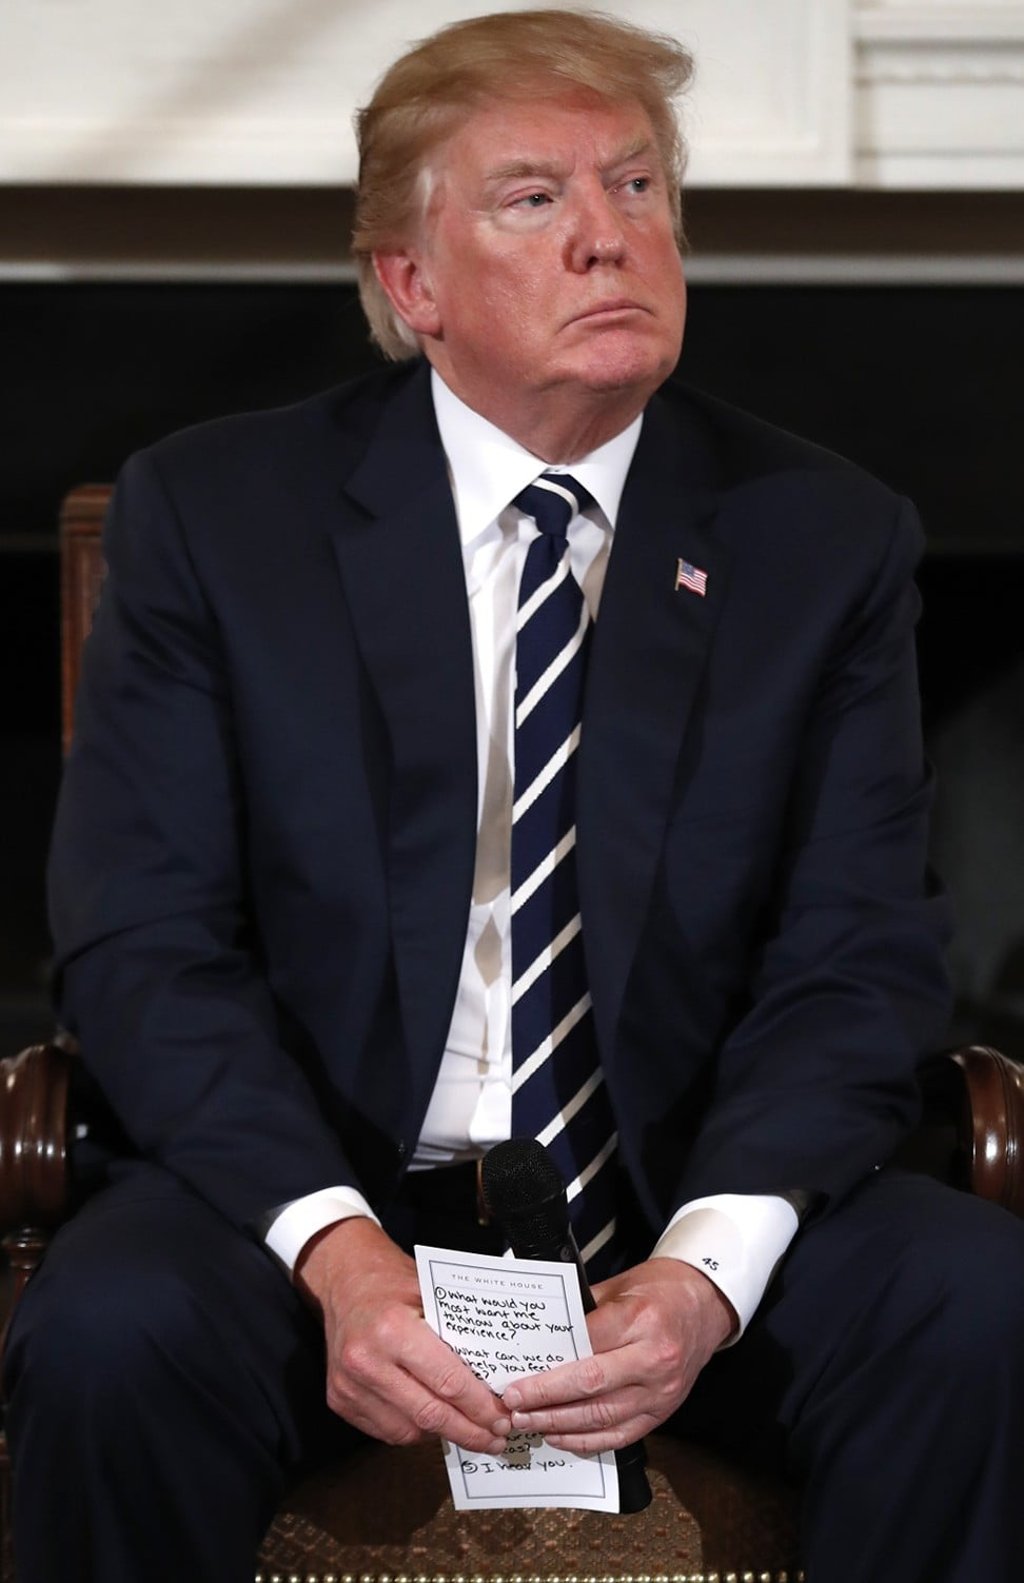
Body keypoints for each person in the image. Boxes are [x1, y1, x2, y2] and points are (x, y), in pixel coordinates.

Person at [6, 9, 1024, 1582]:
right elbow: (144, 940)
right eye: (535, 200)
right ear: (412, 287)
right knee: (110, 1326)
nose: (610, 240)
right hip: (315, 1209)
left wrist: (705, 1276)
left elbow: (859, 959)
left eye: (636, 188)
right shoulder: (220, 518)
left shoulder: (820, 541)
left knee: (974, 1303)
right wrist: (341, 1259)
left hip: (673, 1206)